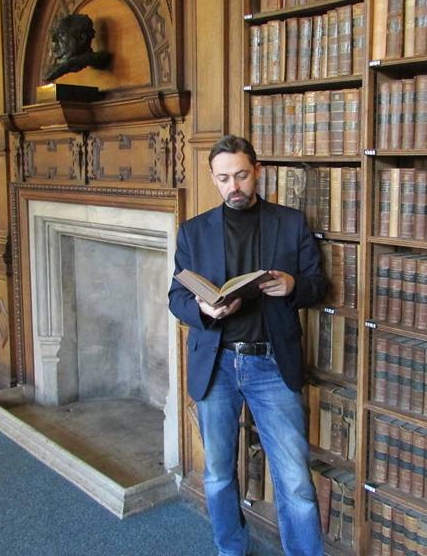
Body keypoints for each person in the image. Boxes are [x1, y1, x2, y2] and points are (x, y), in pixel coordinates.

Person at [168, 135, 326, 556]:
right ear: (213, 178)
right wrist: (204, 309)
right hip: (216, 364)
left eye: (241, 175)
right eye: (223, 179)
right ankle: (230, 549)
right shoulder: (193, 231)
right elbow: (176, 298)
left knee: (295, 480)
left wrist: (292, 285)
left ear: (258, 171)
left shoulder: (290, 223)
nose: (233, 186)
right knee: (218, 474)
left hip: (271, 363)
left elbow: (317, 285)